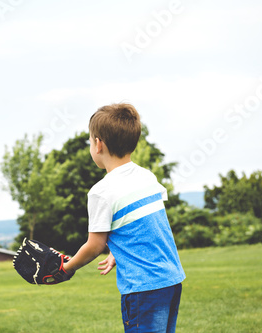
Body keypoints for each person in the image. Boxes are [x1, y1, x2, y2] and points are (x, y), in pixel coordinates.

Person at [62, 103, 186, 332]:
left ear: (98, 144)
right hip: (171, 279)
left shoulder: (101, 192)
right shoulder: (146, 177)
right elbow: (147, 223)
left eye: (91, 141)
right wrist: (118, 252)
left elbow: (95, 245)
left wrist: (68, 267)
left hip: (143, 288)